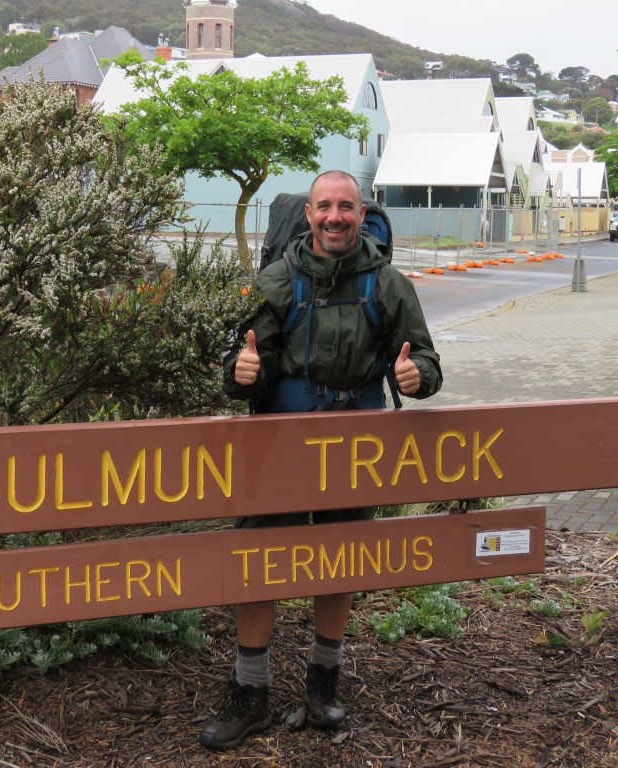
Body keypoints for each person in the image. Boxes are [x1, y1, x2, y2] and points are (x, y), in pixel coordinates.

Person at [199, 170, 442, 751]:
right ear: (308, 214)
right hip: (280, 442)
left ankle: (322, 684)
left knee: (342, 558)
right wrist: (240, 374)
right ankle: (250, 693)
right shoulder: (275, 281)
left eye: (346, 208)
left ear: (361, 215)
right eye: (324, 207)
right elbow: (239, 365)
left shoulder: (388, 285)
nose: (335, 217)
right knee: (259, 557)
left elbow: (426, 359)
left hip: (355, 446)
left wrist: (417, 376)